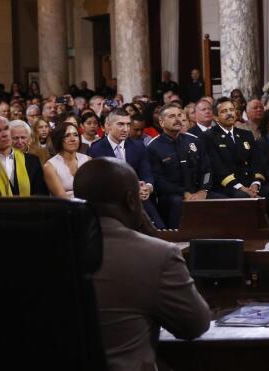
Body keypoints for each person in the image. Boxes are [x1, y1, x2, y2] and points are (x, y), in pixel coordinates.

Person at [73, 158, 211, 371]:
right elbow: (194, 325)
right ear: (131, 200)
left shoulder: (46, 253)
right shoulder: (158, 254)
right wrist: (148, 231)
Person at [200, 97, 269, 225]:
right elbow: (218, 169)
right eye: (224, 111)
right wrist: (242, 188)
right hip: (228, 187)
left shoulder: (245, 134)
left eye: (231, 110)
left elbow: (258, 163)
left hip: (251, 185)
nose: (229, 113)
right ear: (216, 117)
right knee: (244, 197)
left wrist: (256, 183)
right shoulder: (209, 137)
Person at [89, 108, 163, 228]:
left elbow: (147, 173)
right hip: (111, 201)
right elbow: (100, 182)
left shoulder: (139, 146)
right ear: (108, 126)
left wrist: (147, 188)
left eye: (128, 125)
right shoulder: (96, 149)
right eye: (120, 124)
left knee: (160, 229)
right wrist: (132, 189)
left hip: (138, 199)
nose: (125, 129)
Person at [148, 102, 214, 229]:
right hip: (173, 195)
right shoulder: (154, 147)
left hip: (198, 191)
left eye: (179, 115)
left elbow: (207, 170)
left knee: (222, 200)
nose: (178, 119)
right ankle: (178, 242)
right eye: (172, 116)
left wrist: (203, 190)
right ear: (161, 122)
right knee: (177, 202)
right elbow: (158, 180)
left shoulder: (194, 140)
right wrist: (184, 193)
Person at [44, 124, 90, 198]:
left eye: (75, 135)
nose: (73, 139)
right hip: (65, 207)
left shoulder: (88, 160)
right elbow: (61, 197)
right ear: (58, 139)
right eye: (67, 136)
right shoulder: (49, 166)